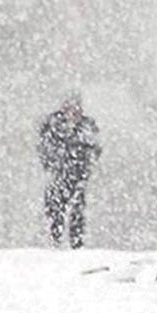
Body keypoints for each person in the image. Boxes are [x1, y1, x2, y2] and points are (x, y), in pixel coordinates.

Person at [37, 92, 101, 249]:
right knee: (55, 208)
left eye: (76, 106)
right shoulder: (53, 124)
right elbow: (45, 148)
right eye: (69, 106)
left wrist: (85, 164)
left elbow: (94, 148)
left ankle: (76, 244)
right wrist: (54, 162)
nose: (72, 111)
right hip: (58, 175)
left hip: (78, 175)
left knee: (77, 210)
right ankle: (54, 241)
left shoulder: (86, 126)